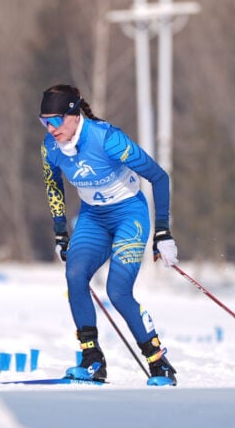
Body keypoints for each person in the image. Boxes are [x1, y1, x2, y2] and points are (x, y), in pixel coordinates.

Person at [39, 84, 179, 386]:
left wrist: (163, 231)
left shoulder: (108, 139)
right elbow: (54, 187)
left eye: (55, 121)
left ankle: (159, 363)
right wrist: (61, 233)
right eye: (44, 122)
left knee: (118, 291)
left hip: (129, 215)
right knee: (75, 276)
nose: (50, 129)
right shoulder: (49, 148)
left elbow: (158, 176)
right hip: (93, 218)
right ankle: (92, 360)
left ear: (74, 115)